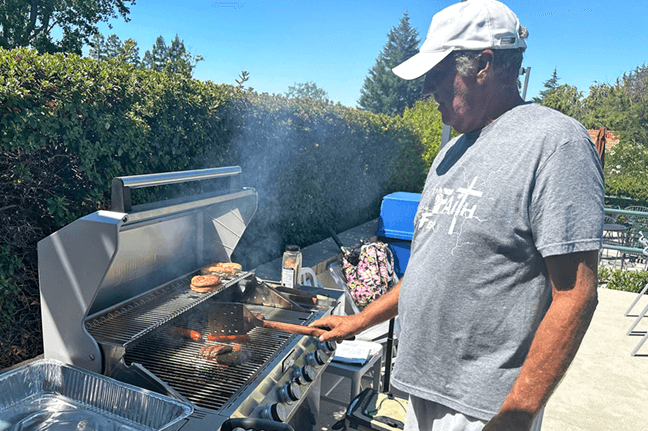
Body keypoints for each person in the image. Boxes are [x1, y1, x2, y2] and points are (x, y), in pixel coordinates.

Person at [311, 1, 604, 430]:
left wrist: (514, 418)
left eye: (438, 73)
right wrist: (358, 320)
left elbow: (576, 295)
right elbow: (431, 270)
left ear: (483, 65)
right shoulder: (450, 153)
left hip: (484, 410)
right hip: (420, 390)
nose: (428, 89)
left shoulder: (556, 143)